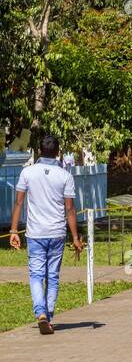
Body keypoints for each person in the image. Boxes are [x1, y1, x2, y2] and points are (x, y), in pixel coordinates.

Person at [10, 134, 84, 335]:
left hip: (35, 233)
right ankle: (48, 317)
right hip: (57, 233)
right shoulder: (65, 176)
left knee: (36, 274)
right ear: (58, 151)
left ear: (40, 150)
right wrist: (76, 237)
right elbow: (70, 209)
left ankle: (40, 313)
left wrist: (14, 230)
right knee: (52, 276)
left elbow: (18, 203)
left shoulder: (27, 173)